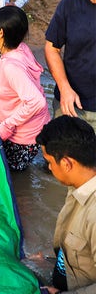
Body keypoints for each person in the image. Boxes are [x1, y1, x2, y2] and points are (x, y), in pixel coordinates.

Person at [0, 6, 49, 171]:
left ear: (0, 33)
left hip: (23, 139)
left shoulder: (11, 65)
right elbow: (17, 88)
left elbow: (37, 102)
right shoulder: (20, 49)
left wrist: (7, 126)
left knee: (3, 176)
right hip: (31, 131)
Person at [36, 116, 96, 294]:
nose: (49, 169)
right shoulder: (78, 184)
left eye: (49, 162)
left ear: (66, 163)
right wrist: (49, 260)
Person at [44, 0, 96, 131]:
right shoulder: (70, 3)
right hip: (70, 104)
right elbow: (52, 48)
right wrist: (64, 87)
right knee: (60, 153)